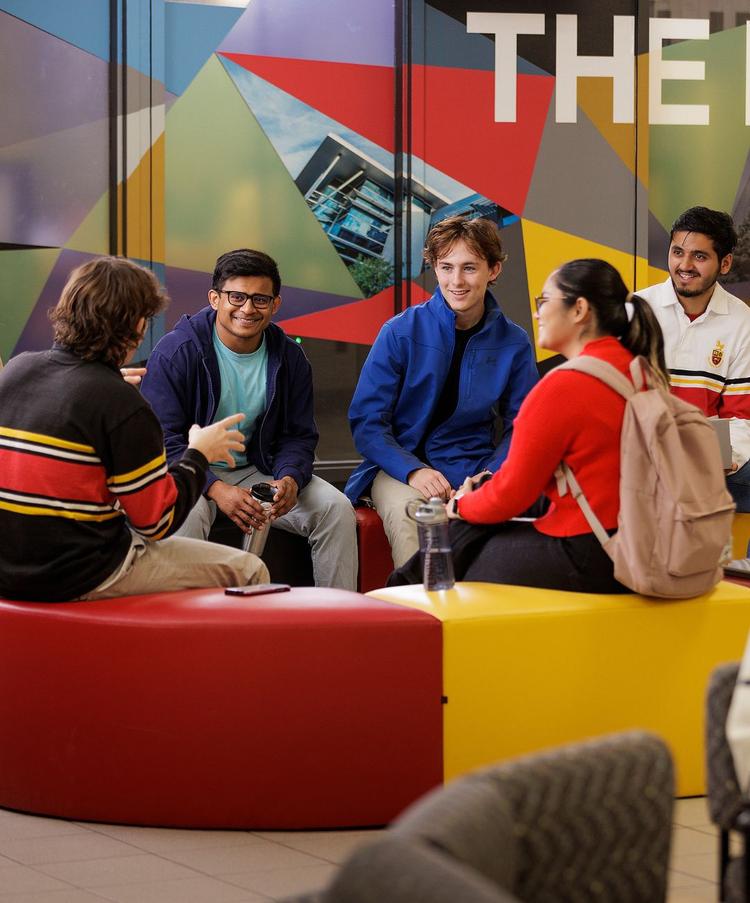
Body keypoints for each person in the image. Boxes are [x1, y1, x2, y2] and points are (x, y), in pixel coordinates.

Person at [0, 256, 269, 602]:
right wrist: (199, 452)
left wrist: (107, 384)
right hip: (78, 575)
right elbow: (157, 522)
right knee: (249, 569)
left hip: (7, 571)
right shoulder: (121, 404)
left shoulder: (18, 369)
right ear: (136, 326)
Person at [428, 258, 670, 592]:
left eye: (544, 301)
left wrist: (460, 505)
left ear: (579, 309)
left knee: (466, 554)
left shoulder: (564, 385)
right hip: (642, 541)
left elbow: (511, 495)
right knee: (472, 532)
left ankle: (398, 603)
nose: (538, 312)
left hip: (592, 553)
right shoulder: (640, 371)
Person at [141, 248, 357, 591]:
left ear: (275, 304)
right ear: (215, 299)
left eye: (260, 299)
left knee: (336, 509)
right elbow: (161, 441)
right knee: (185, 515)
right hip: (191, 470)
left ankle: (338, 615)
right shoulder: (176, 352)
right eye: (237, 297)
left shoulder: (289, 357)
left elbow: (298, 435)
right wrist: (215, 487)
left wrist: (290, 478)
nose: (247, 308)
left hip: (259, 467)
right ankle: (189, 620)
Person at [345, 216, 538, 566]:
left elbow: (524, 426)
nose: (456, 281)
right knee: (414, 518)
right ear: (434, 268)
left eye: (469, 268)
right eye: (446, 267)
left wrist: (490, 475)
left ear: (493, 270)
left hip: (474, 468)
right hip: (398, 470)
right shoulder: (400, 331)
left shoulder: (514, 342)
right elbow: (367, 423)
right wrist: (413, 470)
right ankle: (421, 601)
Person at [637, 206, 750, 512]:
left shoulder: (742, 322)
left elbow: (741, 418)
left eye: (699, 256)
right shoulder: (636, 309)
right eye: (677, 252)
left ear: (725, 263)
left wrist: (720, 459)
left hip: (705, 460)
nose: (684, 266)